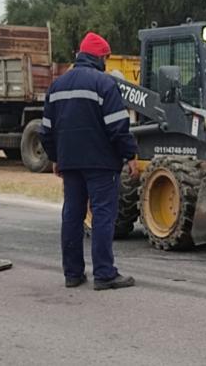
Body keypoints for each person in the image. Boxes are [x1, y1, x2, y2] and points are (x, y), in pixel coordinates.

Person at [41, 31, 139, 291]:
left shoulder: (57, 86)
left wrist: (55, 158)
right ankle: (105, 274)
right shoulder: (104, 84)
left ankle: (72, 274)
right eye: (106, 57)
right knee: (102, 216)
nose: (107, 62)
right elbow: (118, 126)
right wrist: (130, 155)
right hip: (101, 164)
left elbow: (46, 130)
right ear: (100, 57)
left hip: (70, 163)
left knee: (72, 216)